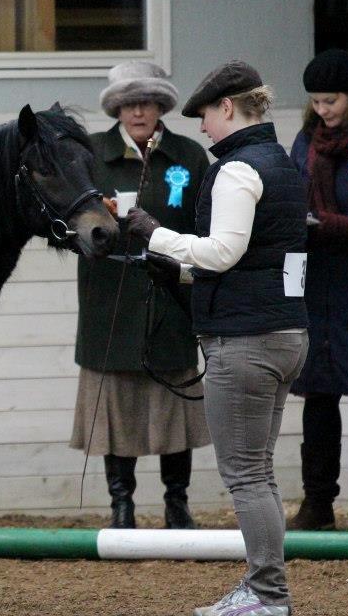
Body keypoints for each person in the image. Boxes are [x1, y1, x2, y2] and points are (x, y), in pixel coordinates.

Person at [126, 61, 308, 616]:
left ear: (227, 107)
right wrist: (179, 272)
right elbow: (273, 260)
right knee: (259, 471)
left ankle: (267, 595)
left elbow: (223, 251)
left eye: (205, 115)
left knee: (246, 474)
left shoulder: (236, 170)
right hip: (285, 333)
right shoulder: (282, 165)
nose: (202, 128)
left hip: (245, 342)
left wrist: (156, 236)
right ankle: (266, 591)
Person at [69, 61, 211, 530]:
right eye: (129, 104)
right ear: (117, 109)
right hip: (109, 296)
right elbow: (71, 225)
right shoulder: (91, 153)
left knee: (174, 408)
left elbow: (204, 226)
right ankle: (121, 505)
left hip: (170, 295)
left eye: (146, 102)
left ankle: (177, 503)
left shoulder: (190, 156)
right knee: (116, 410)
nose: (137, 112)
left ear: (160, 106)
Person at [286, 48, 348, 532]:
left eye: (331, 100)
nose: (323, 110)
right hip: (316, 291)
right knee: (318, 400)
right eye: (316, 101)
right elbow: (288, 191)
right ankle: (317, 502)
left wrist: (343, 228)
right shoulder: (306, 143)